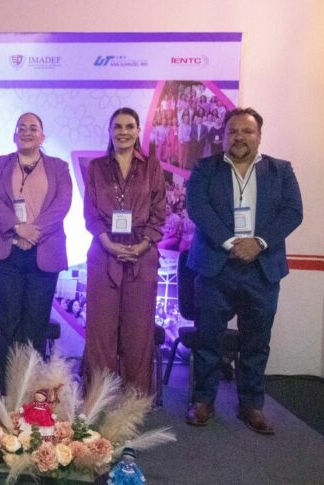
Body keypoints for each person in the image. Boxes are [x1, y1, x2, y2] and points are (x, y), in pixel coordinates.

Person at [184, 108, 302, 434]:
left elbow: (293, 212)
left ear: (259, 136)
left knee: (256, 341)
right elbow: (197, 207)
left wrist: (259, 242)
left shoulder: (280, 171)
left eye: (247, 131)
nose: (239, 136)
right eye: (232, 131)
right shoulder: (206, 169)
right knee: (208, 338)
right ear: (223, 136)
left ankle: (251, 405)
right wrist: (230, 242)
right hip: (215, 267)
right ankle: (202, 401)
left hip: (262, 269)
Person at [0, 113, 72, 392]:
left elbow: (62, 204)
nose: (27, 131)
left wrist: (34, 231)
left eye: (33, 128)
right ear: (14, 135)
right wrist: (17, 228)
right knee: (5, 325)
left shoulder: (58, 167)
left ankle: (32, 392)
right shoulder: (1, 164)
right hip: (6, 252)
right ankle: (3, 389)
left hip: (43, 254)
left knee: (35, 326)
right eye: (21, 127)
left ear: (42, 136)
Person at [83, 107, 166, 395]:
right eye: (117, 126)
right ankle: (98, 396)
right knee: (101, 332)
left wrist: (140, 246)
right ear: (109, 131)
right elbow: (90, 214)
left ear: (138, 131)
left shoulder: (152, 167)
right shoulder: (96, 167)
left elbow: (159, 214)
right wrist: (108, 243)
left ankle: (134, 399)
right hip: (104, 254)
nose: (123, 131)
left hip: (141, 258)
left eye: (129, 126)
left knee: (137, 333)